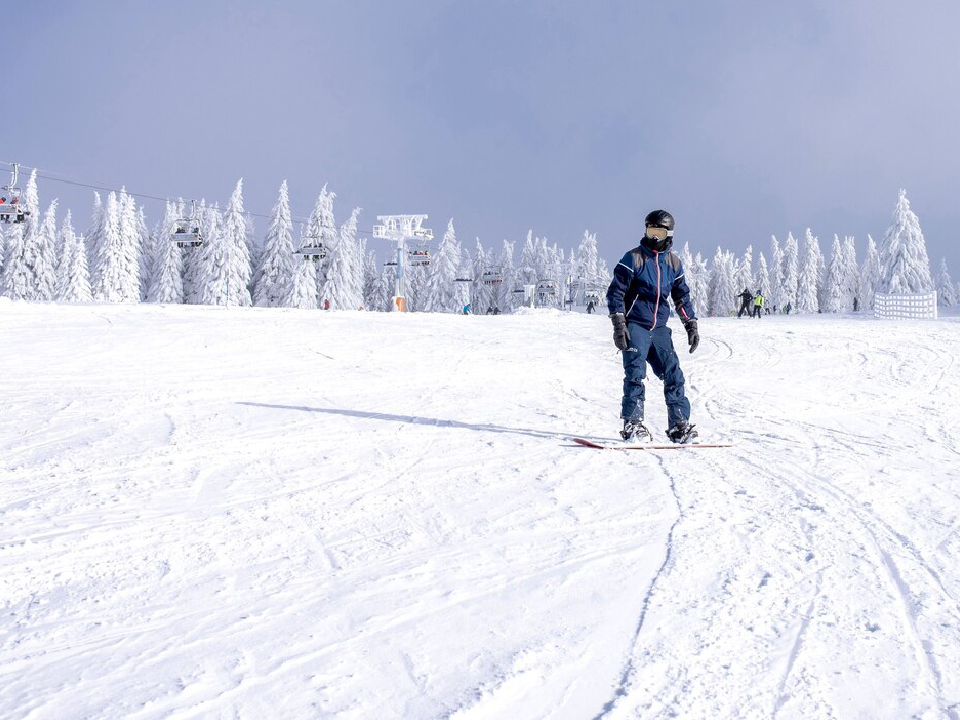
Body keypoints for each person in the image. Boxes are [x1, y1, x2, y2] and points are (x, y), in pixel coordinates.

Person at [606, 209, 699, 444]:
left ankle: (679, 426)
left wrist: (691, 324)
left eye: (658, 232)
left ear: (669, 234)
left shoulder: (673, 263)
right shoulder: (633, 258)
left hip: (659, 329)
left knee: (673, 374)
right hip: (635, 324)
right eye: (650, 231)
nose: (653, 237)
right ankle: (633, 424)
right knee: (635, 374)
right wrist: (619, 323)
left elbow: (681, 296)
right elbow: (616, 291)